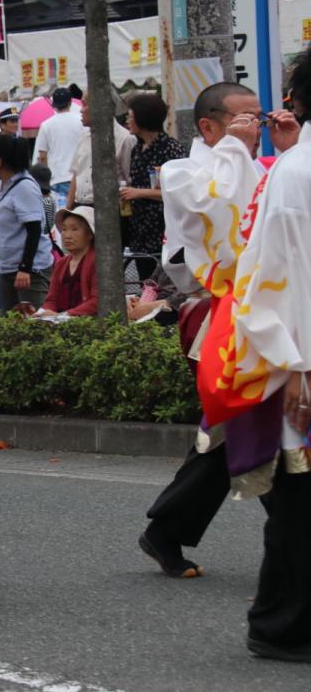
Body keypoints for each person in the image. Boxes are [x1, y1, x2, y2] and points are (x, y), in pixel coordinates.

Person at [137, 81, 281, 579]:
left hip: (264, 311)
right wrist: (236, 150)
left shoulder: (251, 164)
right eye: (244, 120)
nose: (253, 131)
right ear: (208, 127)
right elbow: (216, 209)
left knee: (229, 431)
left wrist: (287, 147)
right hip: (219, 315)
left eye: (258, 120)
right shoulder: (184, 172)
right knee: (246, 424)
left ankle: (167, 528)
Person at [211, 59, 310, 660]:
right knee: (300, 503)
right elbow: (270, 277)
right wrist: (295, 364)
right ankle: (279, 624)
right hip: (299, 357)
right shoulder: (296, 174)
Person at [0, 133, 54, 311]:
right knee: (12, 326)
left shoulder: (25, 187)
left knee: (33, 324)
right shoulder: (2, 184)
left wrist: (25, 268)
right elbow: (1, 230)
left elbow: (33, 230)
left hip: (29, 272)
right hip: (7, 268)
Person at [122, 93, 184, 255]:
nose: (127, 121)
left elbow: (179, 191)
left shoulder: (170, 148)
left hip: (163, 228)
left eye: (131, 117)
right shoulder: (137, 149)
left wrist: (137, 193)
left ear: (143, 118)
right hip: (139, 228)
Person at [66, 101, 136, 210]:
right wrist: (68, 209)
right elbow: (76, 175)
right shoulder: (84, 137)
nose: (80, 110)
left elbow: (129, 180)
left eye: (85, 104)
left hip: (111, 209)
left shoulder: (125, 139)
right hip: (81, 207)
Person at [32, 207, 98, 318]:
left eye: (74, 229)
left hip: (87, 325)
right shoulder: (61, 263)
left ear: (89, 234)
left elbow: (97, 301)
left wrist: (62, 316)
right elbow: (51, 300)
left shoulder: (97, 262)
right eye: (64, 229)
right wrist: (43, 313)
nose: (67, 235)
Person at [34, 87, 85, 201]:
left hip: (56, 178)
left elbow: (42, 156)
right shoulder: (81, 121)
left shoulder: (46, 125)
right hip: (78, 177)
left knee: (59, 216)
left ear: (54, 104)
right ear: (70, 102)